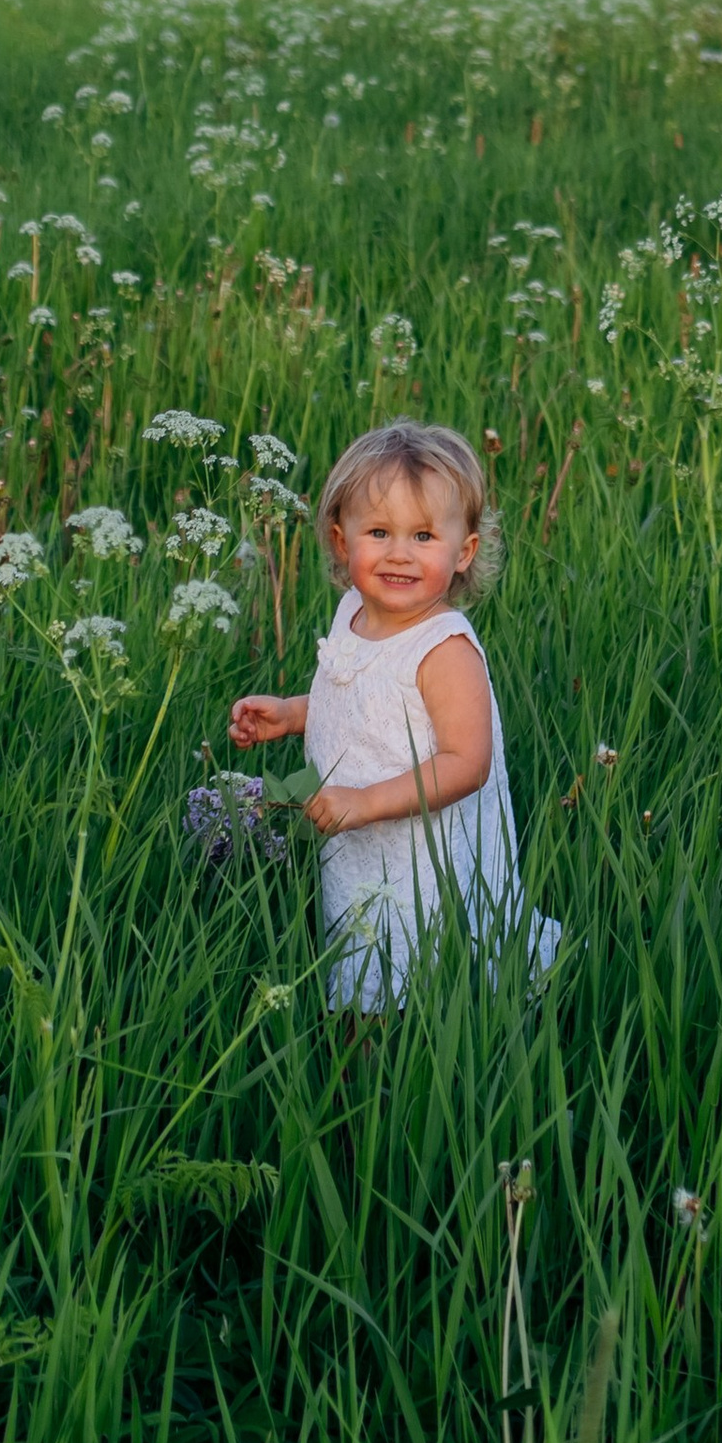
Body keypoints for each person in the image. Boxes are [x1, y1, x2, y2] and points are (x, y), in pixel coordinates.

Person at [228, 418, 555, 1009]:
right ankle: (359, 1066)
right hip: (359, 846)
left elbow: (467, 762)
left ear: (464, 551)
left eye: (425, 536)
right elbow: (360, 701)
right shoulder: (353, 610)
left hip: (427, 859)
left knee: (419, 964)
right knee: (361, 948)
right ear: (340, 540)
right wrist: (293, 713)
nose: (400, 554)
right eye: (379, 531)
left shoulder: (443, 650)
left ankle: (405, 1067)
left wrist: (368, 801)